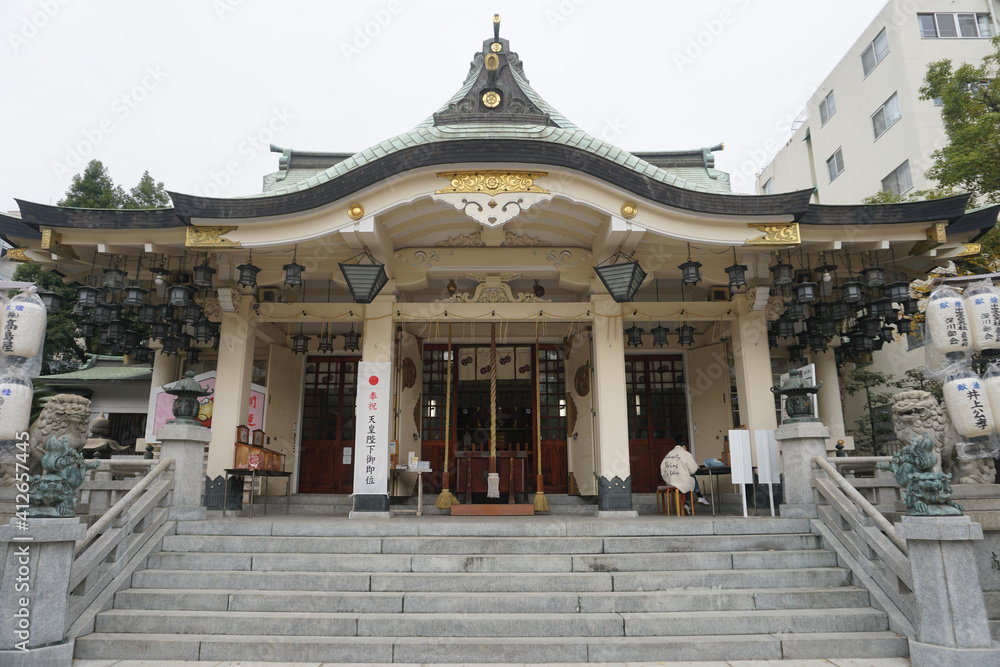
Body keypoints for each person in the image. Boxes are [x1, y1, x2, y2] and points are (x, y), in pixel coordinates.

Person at [660, 443, 710, 514]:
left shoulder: (668, 454)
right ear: (683, 446)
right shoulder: (685, 454)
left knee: (688, 479)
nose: (686, 449)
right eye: (686, 448)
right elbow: (693, 470)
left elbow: (662, 469)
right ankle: (698, 497)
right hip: (681, 481)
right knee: (690, 479)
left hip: (670, 482)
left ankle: (689, 503)